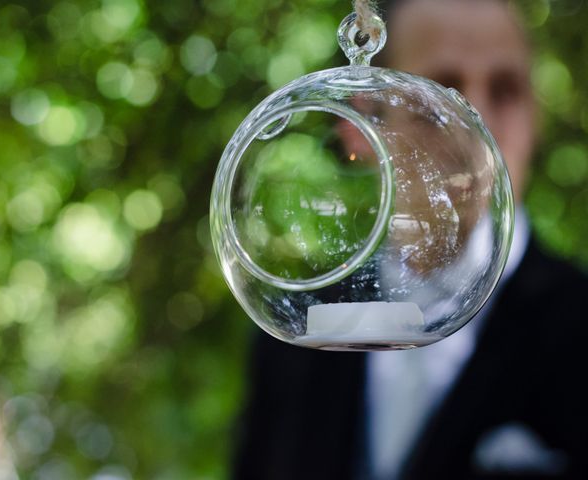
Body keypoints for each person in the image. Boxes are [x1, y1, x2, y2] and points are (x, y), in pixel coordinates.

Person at [232, 0, 588, 479]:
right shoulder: (299, 329)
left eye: (505, 91)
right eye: (439, 95)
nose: (474, 127)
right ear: (363, 123)